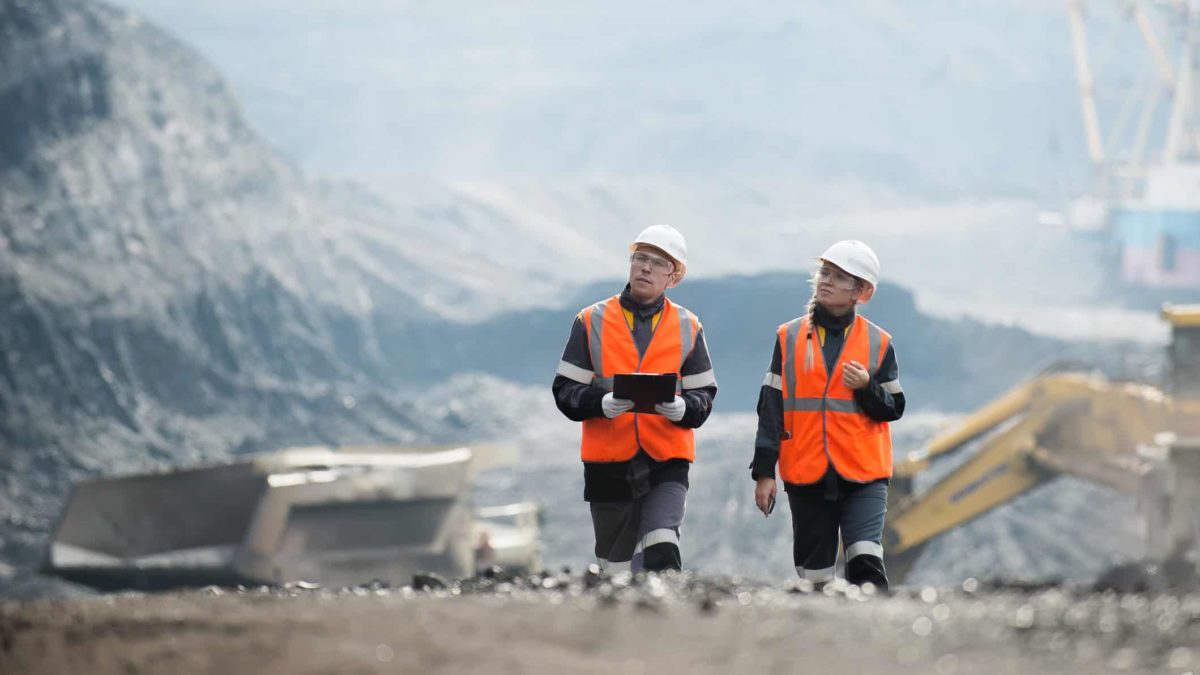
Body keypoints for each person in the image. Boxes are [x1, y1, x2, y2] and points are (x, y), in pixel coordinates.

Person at [552, 225, 717, 573]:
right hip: (608, 464)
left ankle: (665, 607)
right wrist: (600, 403)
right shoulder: (590, 321)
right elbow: (564, 390)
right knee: (616, 569)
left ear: (674, 276)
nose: (645, 267)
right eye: (640, 258)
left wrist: (684, 408)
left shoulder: (689, 326)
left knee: (661, 547)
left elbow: (704, 395)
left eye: (658, 263)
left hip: (667, 461)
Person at [750, 240, 904, 590]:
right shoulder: (788, 337)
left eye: (839, 276)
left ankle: (872, 624)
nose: (826, 280)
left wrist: (866, 387)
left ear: (861, 292)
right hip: (807, 473)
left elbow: (894, 407)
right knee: (815, 578)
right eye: (825, 272)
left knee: (866, 561)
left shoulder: (879, 342)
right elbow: (771, 408)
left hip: (864, 473)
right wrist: (764, 471)